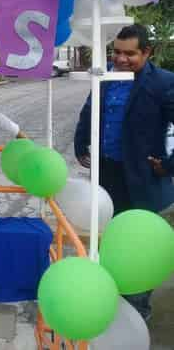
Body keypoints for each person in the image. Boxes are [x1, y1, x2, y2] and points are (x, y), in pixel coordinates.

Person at [74, 23, 174, 319]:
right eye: (116, 52)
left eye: (129, 54)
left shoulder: (163, 82)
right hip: (107, 175)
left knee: (137, 246)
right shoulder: (105, 75)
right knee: (109, 237)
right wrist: (81, 142)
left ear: (147, 52)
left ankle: (137, 311)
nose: (120, 59)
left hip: (142, 179)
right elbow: (90, 109)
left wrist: (168, 164)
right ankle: (111, 299)